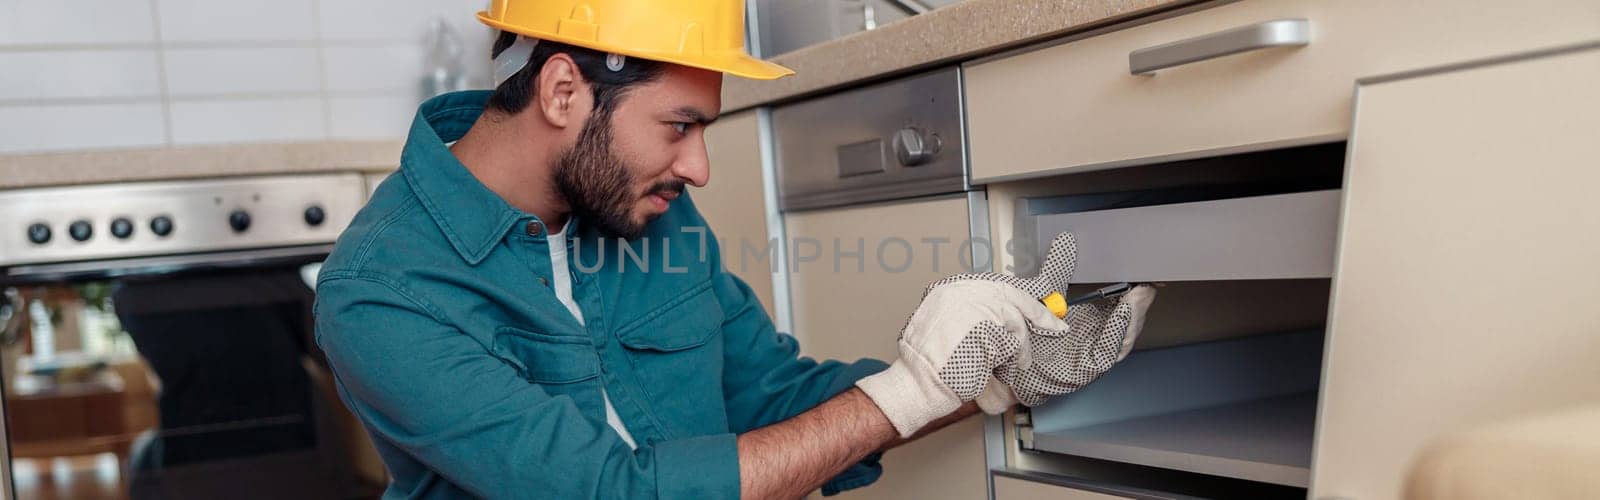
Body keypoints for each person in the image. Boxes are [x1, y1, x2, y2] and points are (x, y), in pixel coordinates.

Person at [313, 1, 1153, 498]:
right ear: (564, 90)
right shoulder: (381, 291)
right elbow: (605, 493)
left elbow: (776, 401)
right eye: (680, 126)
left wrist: (990, 373)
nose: (700, 168)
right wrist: (908, 392)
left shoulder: (644, 210)